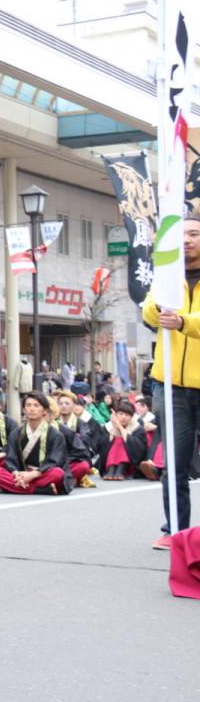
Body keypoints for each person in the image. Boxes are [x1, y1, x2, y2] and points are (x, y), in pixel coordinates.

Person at [141, 212, 200, 549]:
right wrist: (160, 307)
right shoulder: (167, 275)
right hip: (171, 385)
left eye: (194, 233)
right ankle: (175, 531)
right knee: (173, 464)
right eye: (182, 235)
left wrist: (183, 322)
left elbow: (185, 322)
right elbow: (149, 311)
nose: (187, 240)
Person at [0, 392, 70, 495]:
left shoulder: (55, 435)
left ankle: (14, 487)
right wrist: (16, 473)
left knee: (57, 473)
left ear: (45, 411)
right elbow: (11, 457)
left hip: (41, 473)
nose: (32, 409)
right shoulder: (16, 433)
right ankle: (38, 490)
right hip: (21, 473)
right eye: (28, 405)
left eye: (36, 405)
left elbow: (54, 460)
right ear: (24, 410)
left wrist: (34, 474)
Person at [102, 400, 146, 481]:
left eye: (127, 414)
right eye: (121, 414)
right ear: (116, 415)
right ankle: (111, 469)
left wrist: (120, 427)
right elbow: (104, 446)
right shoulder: (109, 426)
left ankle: (120, 469)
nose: (123, 417)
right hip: (109, 463)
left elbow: (139, 449)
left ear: (132, 416)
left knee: (124, 440)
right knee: (116, 439)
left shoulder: (138, 428)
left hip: (130, 464)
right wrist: (115, 427)